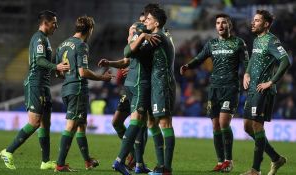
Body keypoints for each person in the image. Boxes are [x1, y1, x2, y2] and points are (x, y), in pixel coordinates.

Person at [0, 10, 70, 170]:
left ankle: (45, 161)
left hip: (44, 84)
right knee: (35, 122)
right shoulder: (39, 38)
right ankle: (8, 151)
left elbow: (44, 63)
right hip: (35, 83)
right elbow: (39, 60)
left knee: (46, 123)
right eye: (54, 23)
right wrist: (56, 66)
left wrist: (56, 71)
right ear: (45, 23)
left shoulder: (45, 39)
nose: (56, 26)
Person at [180, 13, 249, 172]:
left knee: (224, 122)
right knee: (216, 125)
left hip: (230, 87)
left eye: (223, 22)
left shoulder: (238, 43)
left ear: (229, 25)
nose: (220, 25)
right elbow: (199, 58)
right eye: (218, 23)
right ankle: (220, 162)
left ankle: (229, 160)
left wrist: (247, 74)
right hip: (214, 88)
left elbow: (247, 62)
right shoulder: (211, 44)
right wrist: (187, 66)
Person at [54, 15, 113, 172]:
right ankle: (60, 164)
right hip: (78, 89)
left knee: (81, 126)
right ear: (90, 29)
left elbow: (58, 73)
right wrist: (102, 77)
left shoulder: (62, 45)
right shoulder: (81, 45)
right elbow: (83, 72)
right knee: (72, 125)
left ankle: (87, 161)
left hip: (66, 88)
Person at [98, 15, 153, 175]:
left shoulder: (146, 38)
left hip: (139, 83)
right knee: (117, 122)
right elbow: (126, 60)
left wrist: (135, 68)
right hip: (130, 86)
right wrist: (110, 63)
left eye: (133, 31)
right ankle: (129, 155)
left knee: (140, 124)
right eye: (130, 31)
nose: (131, 34)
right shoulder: (136, 40)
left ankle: (138, 162)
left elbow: (136, 60)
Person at [125, 6, 176, 175]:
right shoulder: (156, 36)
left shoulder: (157, 36)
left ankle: (166, 168)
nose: (145, 21)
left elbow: (130, 52)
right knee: (153, 123)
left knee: (165, 123)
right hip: (156, 84)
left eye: (148, 19)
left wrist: (135, 36)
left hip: (162, 84)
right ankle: (161, 166)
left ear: (157, 23)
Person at [241, 10, 290, 175]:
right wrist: (246, 73)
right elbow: (253, 60)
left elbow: (286, 60)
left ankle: (255, 170)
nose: (253, 23)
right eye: (253, 20)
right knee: (247, 127)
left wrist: (271, 82)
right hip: (253, 89)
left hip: (264, 90)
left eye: (257, 20)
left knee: (256, 125)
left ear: (266, 24)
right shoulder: (257, 40)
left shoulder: (271, 40)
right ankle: (276, 158)